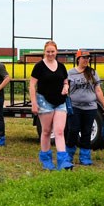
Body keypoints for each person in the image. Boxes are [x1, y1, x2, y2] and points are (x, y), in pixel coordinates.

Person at [30, 41, 71, 170]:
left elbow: (65, 81)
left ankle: (63, 161)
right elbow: (32, 85)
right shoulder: (39, 66)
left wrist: (66, 87)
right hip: (44, 102)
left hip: (60, 102)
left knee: (59, 131)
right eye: (48, 51)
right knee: (47, 131)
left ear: (56, 52)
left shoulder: (61, 66)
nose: (50, 54)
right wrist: (34, 103)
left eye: (52, 51)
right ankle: (46, 160)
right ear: (44, 52)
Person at [66, 50, 104, 166]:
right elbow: (65, 89)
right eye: (84, 57)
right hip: (75, 107)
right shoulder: (70, 73)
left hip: (90, 108)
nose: (86, 60)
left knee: (87, 132)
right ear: (78, 59)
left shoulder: (93, 73)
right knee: (73, 131)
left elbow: (98, 90)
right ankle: (68, 155)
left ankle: (85, 157)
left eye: (88, 58)